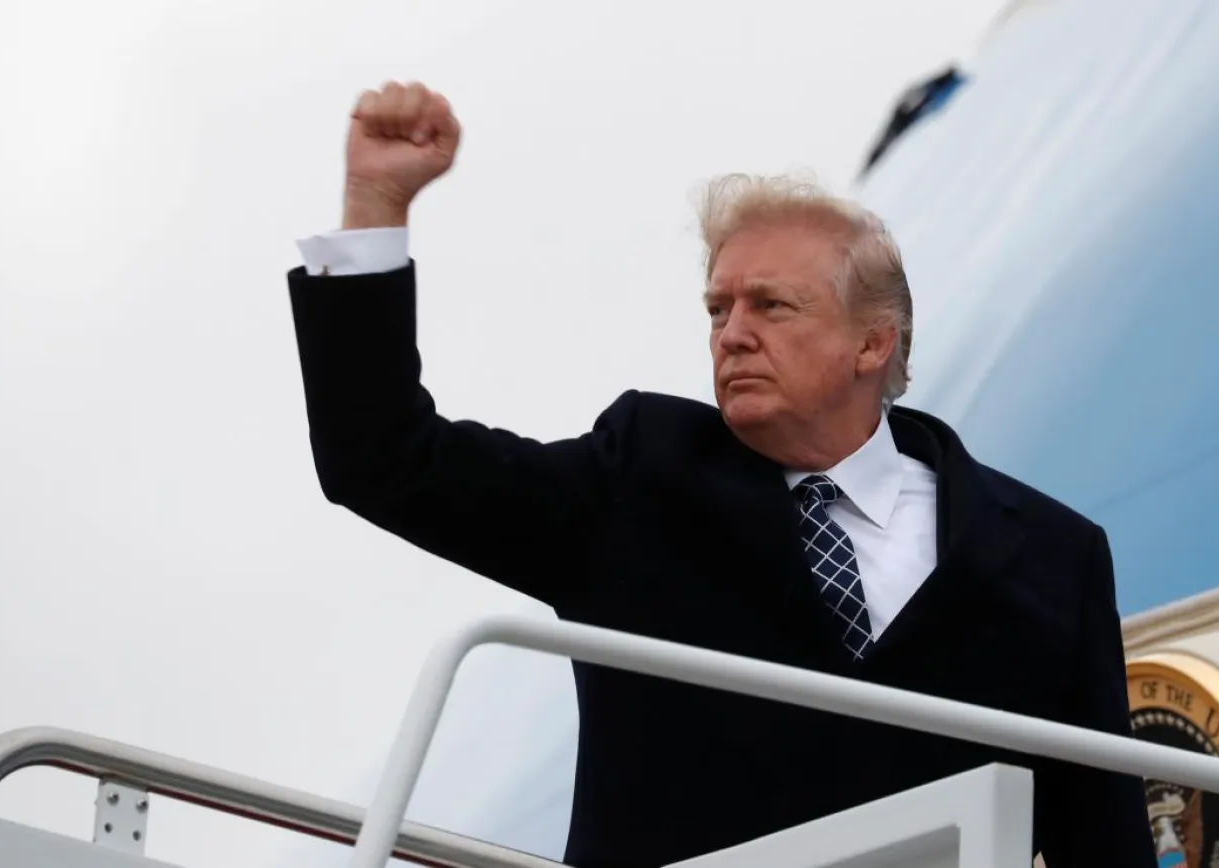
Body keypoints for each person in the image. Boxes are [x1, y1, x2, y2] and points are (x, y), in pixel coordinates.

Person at [286, 80, 1156, 868]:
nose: (731, 333)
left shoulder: (1053, 555)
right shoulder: (635, 482)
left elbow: (1102, 839)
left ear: (872, 341)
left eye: (770, 306)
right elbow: (384, 458)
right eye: (718, 308)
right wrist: (374, 206)